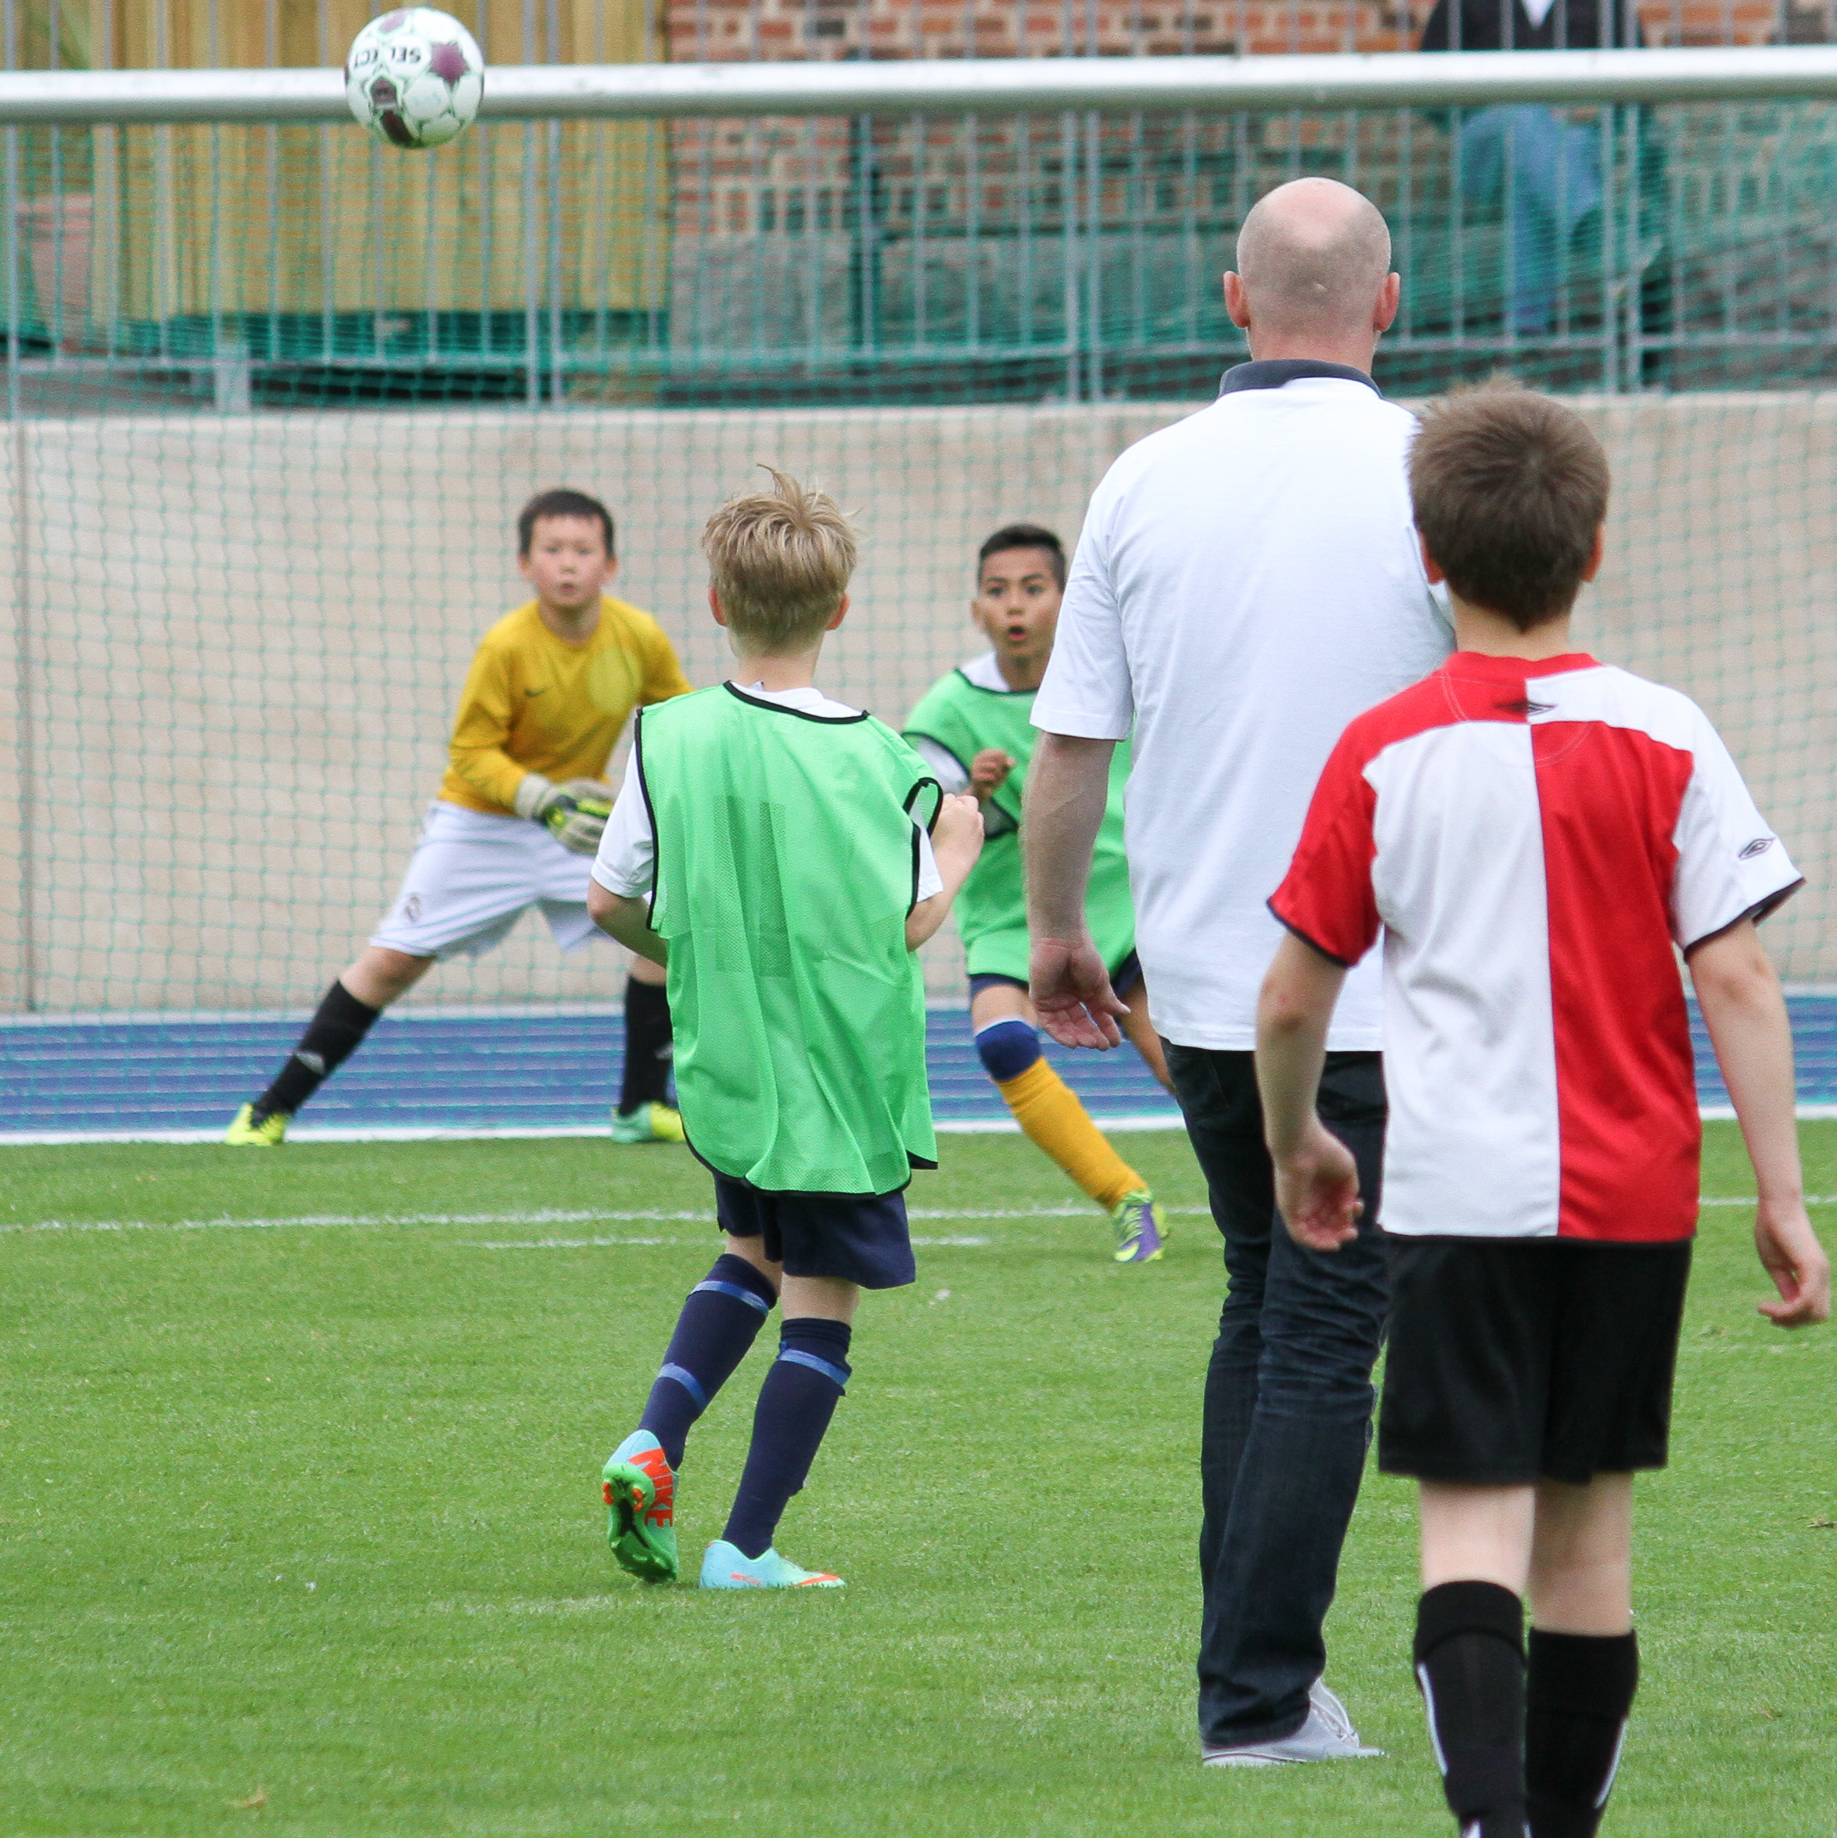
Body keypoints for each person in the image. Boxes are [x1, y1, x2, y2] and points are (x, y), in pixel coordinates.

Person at [1256, 386, 1831, 1838]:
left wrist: (1296, 1139)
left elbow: (1291, 998)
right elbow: (1738, 976)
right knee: (1588, 1551)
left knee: (1470, 1530)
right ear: (1595, 549)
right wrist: (1781, 1195)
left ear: (1428, 557)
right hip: (1634, 1200)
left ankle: (1489, 1824)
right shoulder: (1669, 733)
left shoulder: (1383, 747)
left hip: (1457, 1193)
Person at [1019, 177, 1455, 1762]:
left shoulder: (1143, 477)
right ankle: (1256, 1701)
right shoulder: (1435, 468)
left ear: (1234, 300)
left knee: (1266, 1304)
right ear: (1387, 304)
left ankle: (1257, 1677)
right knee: (1325, 1329)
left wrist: (1057, 936)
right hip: (1375, 995)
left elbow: (1075, 745)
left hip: (1202, 993)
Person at [584, 470, 982, 1591]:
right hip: (842, 1079)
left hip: (733, 1068)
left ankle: (654, 1437)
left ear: (717, 605)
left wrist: (699, 962)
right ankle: (745, 1546)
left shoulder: (667, 734)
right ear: (840, 609)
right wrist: (957, 847)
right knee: (821, 1306)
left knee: (749, 1255)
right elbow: (907, 925)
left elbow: (610, 901)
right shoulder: (879, 759)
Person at [227, 488, 692, 1148]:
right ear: (525, 564)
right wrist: (541, 799)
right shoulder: (505, 645)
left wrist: (657, 791)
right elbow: (471, 752)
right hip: (482, 826)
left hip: (578, 829)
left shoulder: (639, 636)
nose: (568, 563)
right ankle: (268, 1111)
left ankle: (640, 1106)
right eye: (551, 549)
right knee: (392, 963)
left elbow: (679, 721)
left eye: (583, 550)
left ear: (610, 565)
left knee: (668, 928)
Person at [903, 522, 1169, 1265]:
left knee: (1192, 1072)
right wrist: (973, 795)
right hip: (1012, 918)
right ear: (976, 610)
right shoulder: (944, 714)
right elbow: (923, 830)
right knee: (1002, 1040)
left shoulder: (1110, 679)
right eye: (997, 591)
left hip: (1123, 905)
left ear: (1065, 599)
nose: (1015, 605)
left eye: (1033, 588)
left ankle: (1275, 1200)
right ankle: (1125, 1197)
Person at [1418, 0, 1641, 338]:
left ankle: (1526, 340)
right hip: (1485, 159)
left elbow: (1639, 89)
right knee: (1522, 118)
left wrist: (1590, 108)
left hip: (1575, 151)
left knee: (1534, 173)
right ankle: (1603, 241)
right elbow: (1430, 97)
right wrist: (1505, 107)